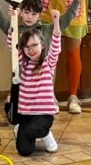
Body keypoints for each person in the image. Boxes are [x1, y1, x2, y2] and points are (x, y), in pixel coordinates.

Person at [10, 9, 64, 156]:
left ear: (42, 45)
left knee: (36, 130)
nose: (31, 50)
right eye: (27, 47)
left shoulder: (48, 63)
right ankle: (23, 130)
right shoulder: (24, 64)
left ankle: (46, 134)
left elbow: (56, 46)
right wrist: (13, 20)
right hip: (26, 113)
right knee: (24, 150)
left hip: (43, 114)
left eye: (34, 45)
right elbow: (12, 44)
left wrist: (56, 22)